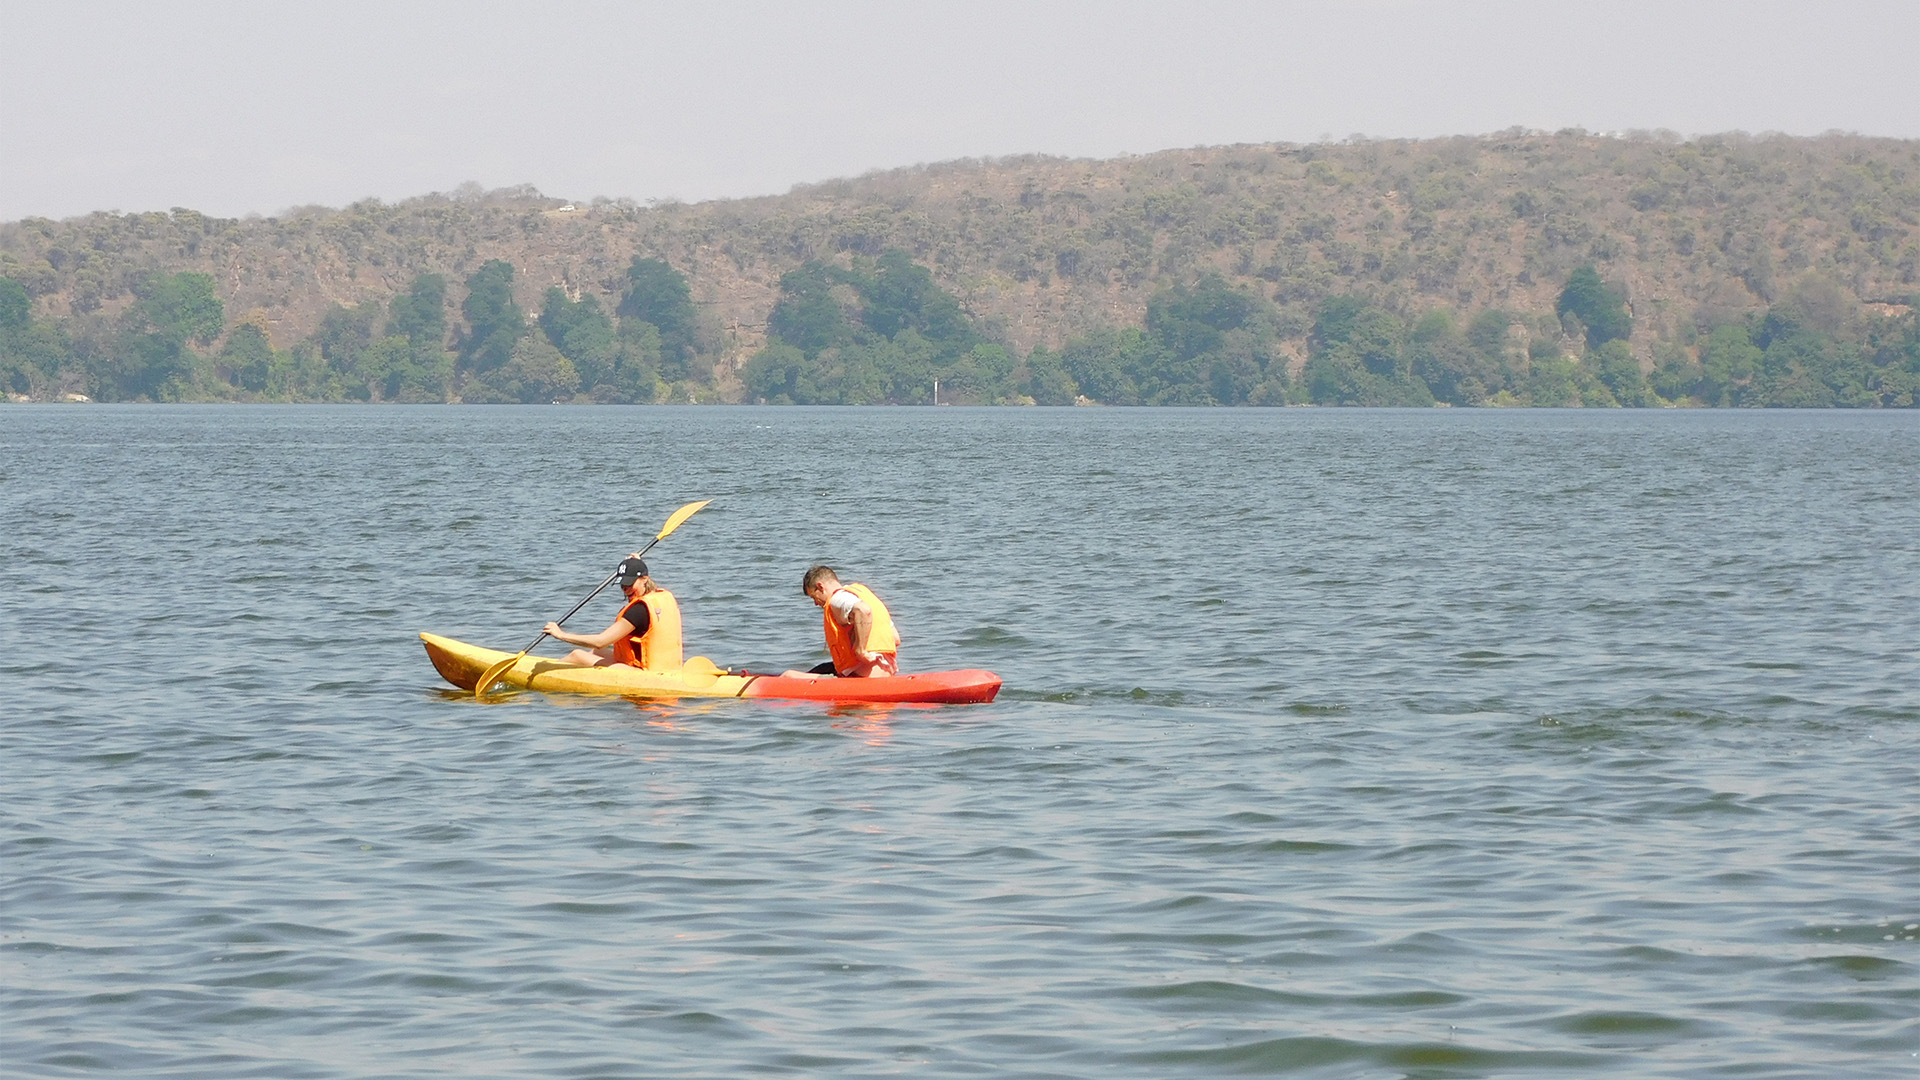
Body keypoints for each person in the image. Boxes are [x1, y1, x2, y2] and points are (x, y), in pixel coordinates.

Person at [543, 555, 683, 670]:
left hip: (646, 675)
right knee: (596, 653)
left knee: (577, 655)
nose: (626, 589)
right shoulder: (662, 596)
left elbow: (601, 642)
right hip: (667, 669)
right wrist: (635, 563)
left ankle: (545, 677)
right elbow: (599, 648)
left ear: (644, 579)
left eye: (629, 584)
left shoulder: (638, 610)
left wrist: (560, 634)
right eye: (623, 585)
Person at [794, 565, 900, 678]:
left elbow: (862, 610)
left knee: (789, 676)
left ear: (820, 587)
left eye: (814, 597)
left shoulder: (837, 599)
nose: (816, 603)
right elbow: (895, 639)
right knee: (822, 668)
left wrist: (861, 650)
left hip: (862, 678)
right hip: (886, 672)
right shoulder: (864, 595)